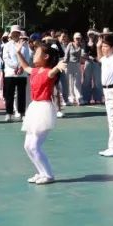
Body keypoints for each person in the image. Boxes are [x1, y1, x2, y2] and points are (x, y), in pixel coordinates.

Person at [14, 39, 66, 184]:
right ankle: (41, 172)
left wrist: (58, 66)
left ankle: (48, 175)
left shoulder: (49, 72)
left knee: (34, 146)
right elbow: (25, 67)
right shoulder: (35, 71)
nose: (34, 55)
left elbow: (53, 72)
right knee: (27, 146)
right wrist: (18, 52)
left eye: (37, 53)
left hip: (43, 109)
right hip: (34, 108)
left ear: (45, 57)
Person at [2, 25, 31, 121]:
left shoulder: (25, 45)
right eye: (14, 33)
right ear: (11, 34)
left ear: (19, 34)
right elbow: (6, 58)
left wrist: (22, 67)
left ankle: (22, 113)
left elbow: (27, 57)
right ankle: (9, 113)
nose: (15, 34)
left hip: (22, 73)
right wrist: (15, 66)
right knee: (9, 94)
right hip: (10, 73)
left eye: (17, 33)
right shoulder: (7, 45)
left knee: (21, 94)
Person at [64, 32, 85, 106]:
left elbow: (83, 55)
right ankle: (71, 98)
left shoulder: (82, 45)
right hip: (69, 64)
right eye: (77, 38)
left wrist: (83, 56)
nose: (78, 40)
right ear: (74, 39)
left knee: (77, 81)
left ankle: (79, 97)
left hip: (77, 64)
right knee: (70, 81)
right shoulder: (70, 44)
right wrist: (65, 63)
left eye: (79, 38)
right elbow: (66, 54)